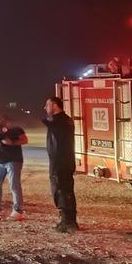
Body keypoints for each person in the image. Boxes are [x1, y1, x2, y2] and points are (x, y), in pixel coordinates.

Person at [43, 96, 78, 232]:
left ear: (55, 106)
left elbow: (48, 122)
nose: (45, 108)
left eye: (48, 105)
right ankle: (71, 221)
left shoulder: (59, 121)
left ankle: (66, 222)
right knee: (67, 190)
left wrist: (48, 118)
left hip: (59, 161)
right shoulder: (66, 120)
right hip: (66, 160)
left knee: (59, 189)